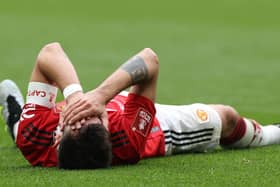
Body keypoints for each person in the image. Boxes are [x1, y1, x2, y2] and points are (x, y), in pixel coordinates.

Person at [1, 42, 280, 170]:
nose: (86, 114)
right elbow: (150, 59)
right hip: (157, 129)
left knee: (26, 133)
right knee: (227, 116)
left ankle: (16, 120)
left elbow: (50, 52)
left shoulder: (37, 134)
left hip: (40, 133)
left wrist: (76, 97)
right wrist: (99, 97)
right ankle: (273, 133)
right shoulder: (128, 139)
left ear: (60, 133)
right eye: (94, 119)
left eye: (78, 118)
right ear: (109, 128)